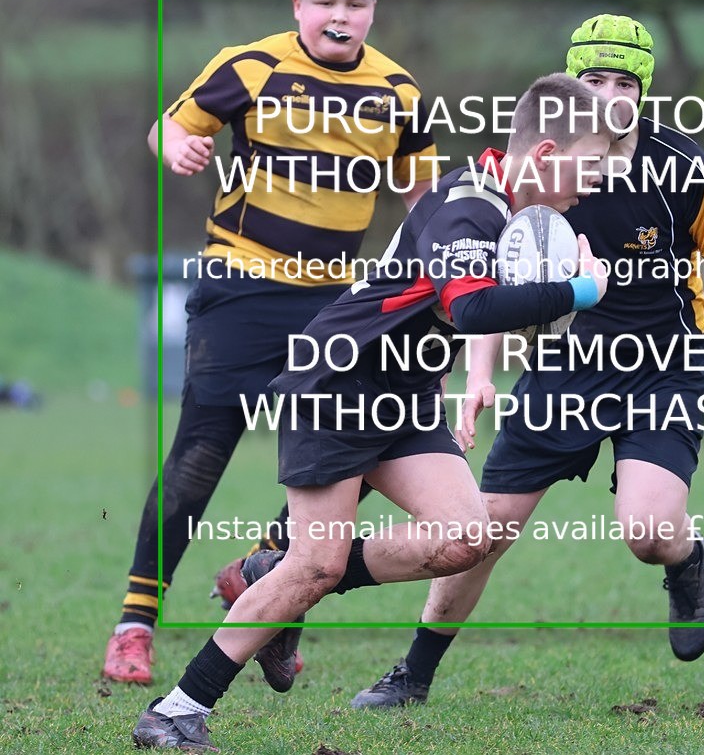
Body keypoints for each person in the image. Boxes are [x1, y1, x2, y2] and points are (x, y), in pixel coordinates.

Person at [130, 72, 616, 750]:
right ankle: (177, 709)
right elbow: (473, 306)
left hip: (400, 394)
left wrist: (456, 375)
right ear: (544, 155)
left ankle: (276, 573)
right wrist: (579, 290)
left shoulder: (504, 208)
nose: (594, 181)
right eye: (590, 165)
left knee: (467, 536)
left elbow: (445, 309)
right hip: (336, 384)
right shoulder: (471, 206)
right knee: (317, 566)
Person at [349, 14, 704, 710]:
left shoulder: (685, 167)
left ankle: (688, 559)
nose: (612, 95)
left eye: (625, 81)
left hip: (661, 366)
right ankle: (414, 672)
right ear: (570, 87)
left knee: (647, 530)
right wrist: (480, 376)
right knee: (485, 527)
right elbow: (495, 280)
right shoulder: (543, 167)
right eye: (595, 80)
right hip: (563, 369)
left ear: (644, 89)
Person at [103, 0, 440, 685]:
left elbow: (423, 203)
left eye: (354, 2)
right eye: (325, 1)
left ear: (371, 10)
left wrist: (441, 267)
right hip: (242, 288)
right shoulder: (250, 64)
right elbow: (169, 127)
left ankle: (265, 581)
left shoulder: (401, 91)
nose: (340, 15)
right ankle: (135, 621)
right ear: (299, 7)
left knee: (342, 459)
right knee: (200, 453)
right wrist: (181, 150)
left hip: (336, 302)